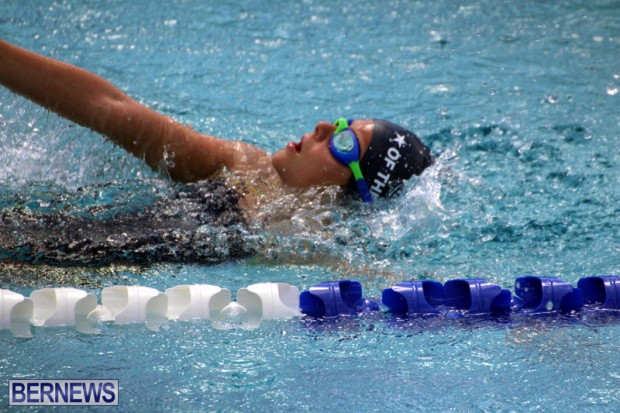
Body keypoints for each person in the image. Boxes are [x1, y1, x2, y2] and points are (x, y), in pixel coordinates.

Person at [0, 40, 432, 211]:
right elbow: (113, 110)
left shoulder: (318, 249)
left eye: (343, 142)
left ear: (354, 189)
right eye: (341, 123)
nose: (321, 126)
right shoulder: (242, 163)